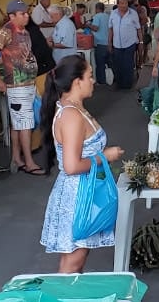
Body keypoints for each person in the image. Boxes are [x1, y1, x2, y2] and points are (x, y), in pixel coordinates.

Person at [41, 56, 125, 272]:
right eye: (90, 76)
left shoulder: (75, 109)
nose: (93, 81)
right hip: (78, 195)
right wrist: (105, 156)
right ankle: (60, 295)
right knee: (73, 262)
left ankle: (68, 293)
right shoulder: (71, 116)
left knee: (76, 259)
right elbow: (71, 166)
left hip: (85, 190)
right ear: (77, 82)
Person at [0, 0, 42, 175]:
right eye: (22, 14)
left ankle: (17, 158)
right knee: (25, 123)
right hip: (17, 86)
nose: (26, 16)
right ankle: (29, 162)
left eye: (27, 13)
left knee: (18, 123)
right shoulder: (7, 30)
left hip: (28, 84)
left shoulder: (25, 32)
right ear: (12, 16)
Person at [108, 0, 142, 90]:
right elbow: (110, 29)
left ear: (128, 4)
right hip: (117, 44)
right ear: (117, 4)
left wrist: (141, 42)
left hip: (130, 43)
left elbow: (139, 29)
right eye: (121, 3)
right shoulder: (113, 13)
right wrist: (109, 43)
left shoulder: (133, 14)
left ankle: (127, 84)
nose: (123, 5)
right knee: (118, 64)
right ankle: (119, 84)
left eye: (125, 3)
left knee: (128, 64)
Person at [90, 2, 111, 85]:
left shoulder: (97, 16)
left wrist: (88, 25)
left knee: (100, 64)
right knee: (109, 63)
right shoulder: (108, 16)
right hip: (108, 43)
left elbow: (95, 28)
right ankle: (111, 79)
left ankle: (102, 81)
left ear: (96, 9)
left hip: (100, 43)